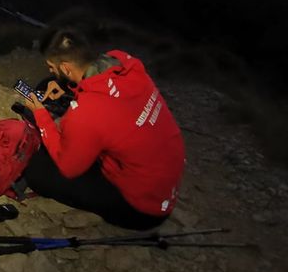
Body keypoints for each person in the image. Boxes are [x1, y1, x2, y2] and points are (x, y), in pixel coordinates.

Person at [18, 27, 185, 230]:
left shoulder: (87, 113)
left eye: (52, 67)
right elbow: (98, 88)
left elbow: (68, 167)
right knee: (50, 84)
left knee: (35, 169)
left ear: (66, 68)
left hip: (143, 207)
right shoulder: (125, 63)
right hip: (162, 177)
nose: (51, 71)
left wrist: (41, 115)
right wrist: (67, 88)